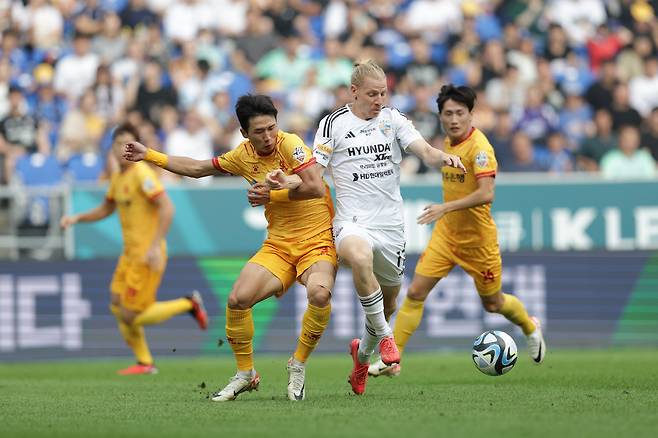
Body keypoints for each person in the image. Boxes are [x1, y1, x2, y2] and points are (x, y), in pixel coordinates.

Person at [265, 60, 465, 395]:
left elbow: (424, 150)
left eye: (383, 92)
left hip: (391, 226)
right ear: (353, 91)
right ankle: (387, 338)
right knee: (358, 257)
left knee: (387, 306)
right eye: (372, 94)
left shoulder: (393, 118)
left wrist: (443, 157)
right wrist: (285, 181)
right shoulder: (332, 124)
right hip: (351, 222)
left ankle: (362, 357)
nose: (379, 100)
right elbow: (314, 173)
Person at [122, 95, 336, 402]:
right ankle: (246, 374)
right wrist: (150, 155)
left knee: (319, 293)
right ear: (244, 134)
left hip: (317, 240)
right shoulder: (241, 155)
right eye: (259, 131)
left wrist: (273, 196)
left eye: (272, 127)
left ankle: (298, 364)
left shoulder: (291, 144)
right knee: (237, 299)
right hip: (278, 245)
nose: (268, 136)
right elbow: (197, 168)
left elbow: (315, 185)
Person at [368, 85, 546, 378]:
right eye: (448, 113)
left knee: (493, 303)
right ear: (440, 116)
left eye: (460, 113)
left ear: (471, 115)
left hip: (478, 241)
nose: (454, 119)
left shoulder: (480, 149)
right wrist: (446, 214)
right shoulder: (446, 144)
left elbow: (486, 193)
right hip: (447, 236)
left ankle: (529, 325)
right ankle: (392, 361)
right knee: (414, 292)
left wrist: (446, 207)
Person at [60, 122, 208, 375]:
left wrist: (153, 247)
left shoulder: (142, 175)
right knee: (116, 304)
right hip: (129, 254)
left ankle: (188, 304)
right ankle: (145, 363)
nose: (122, 149)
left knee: (130, 315)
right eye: (118, 144)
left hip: (147, 253)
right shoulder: (118, 176)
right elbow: (107, 208)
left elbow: (167, 208)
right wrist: (77, 218)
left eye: (128, 144)